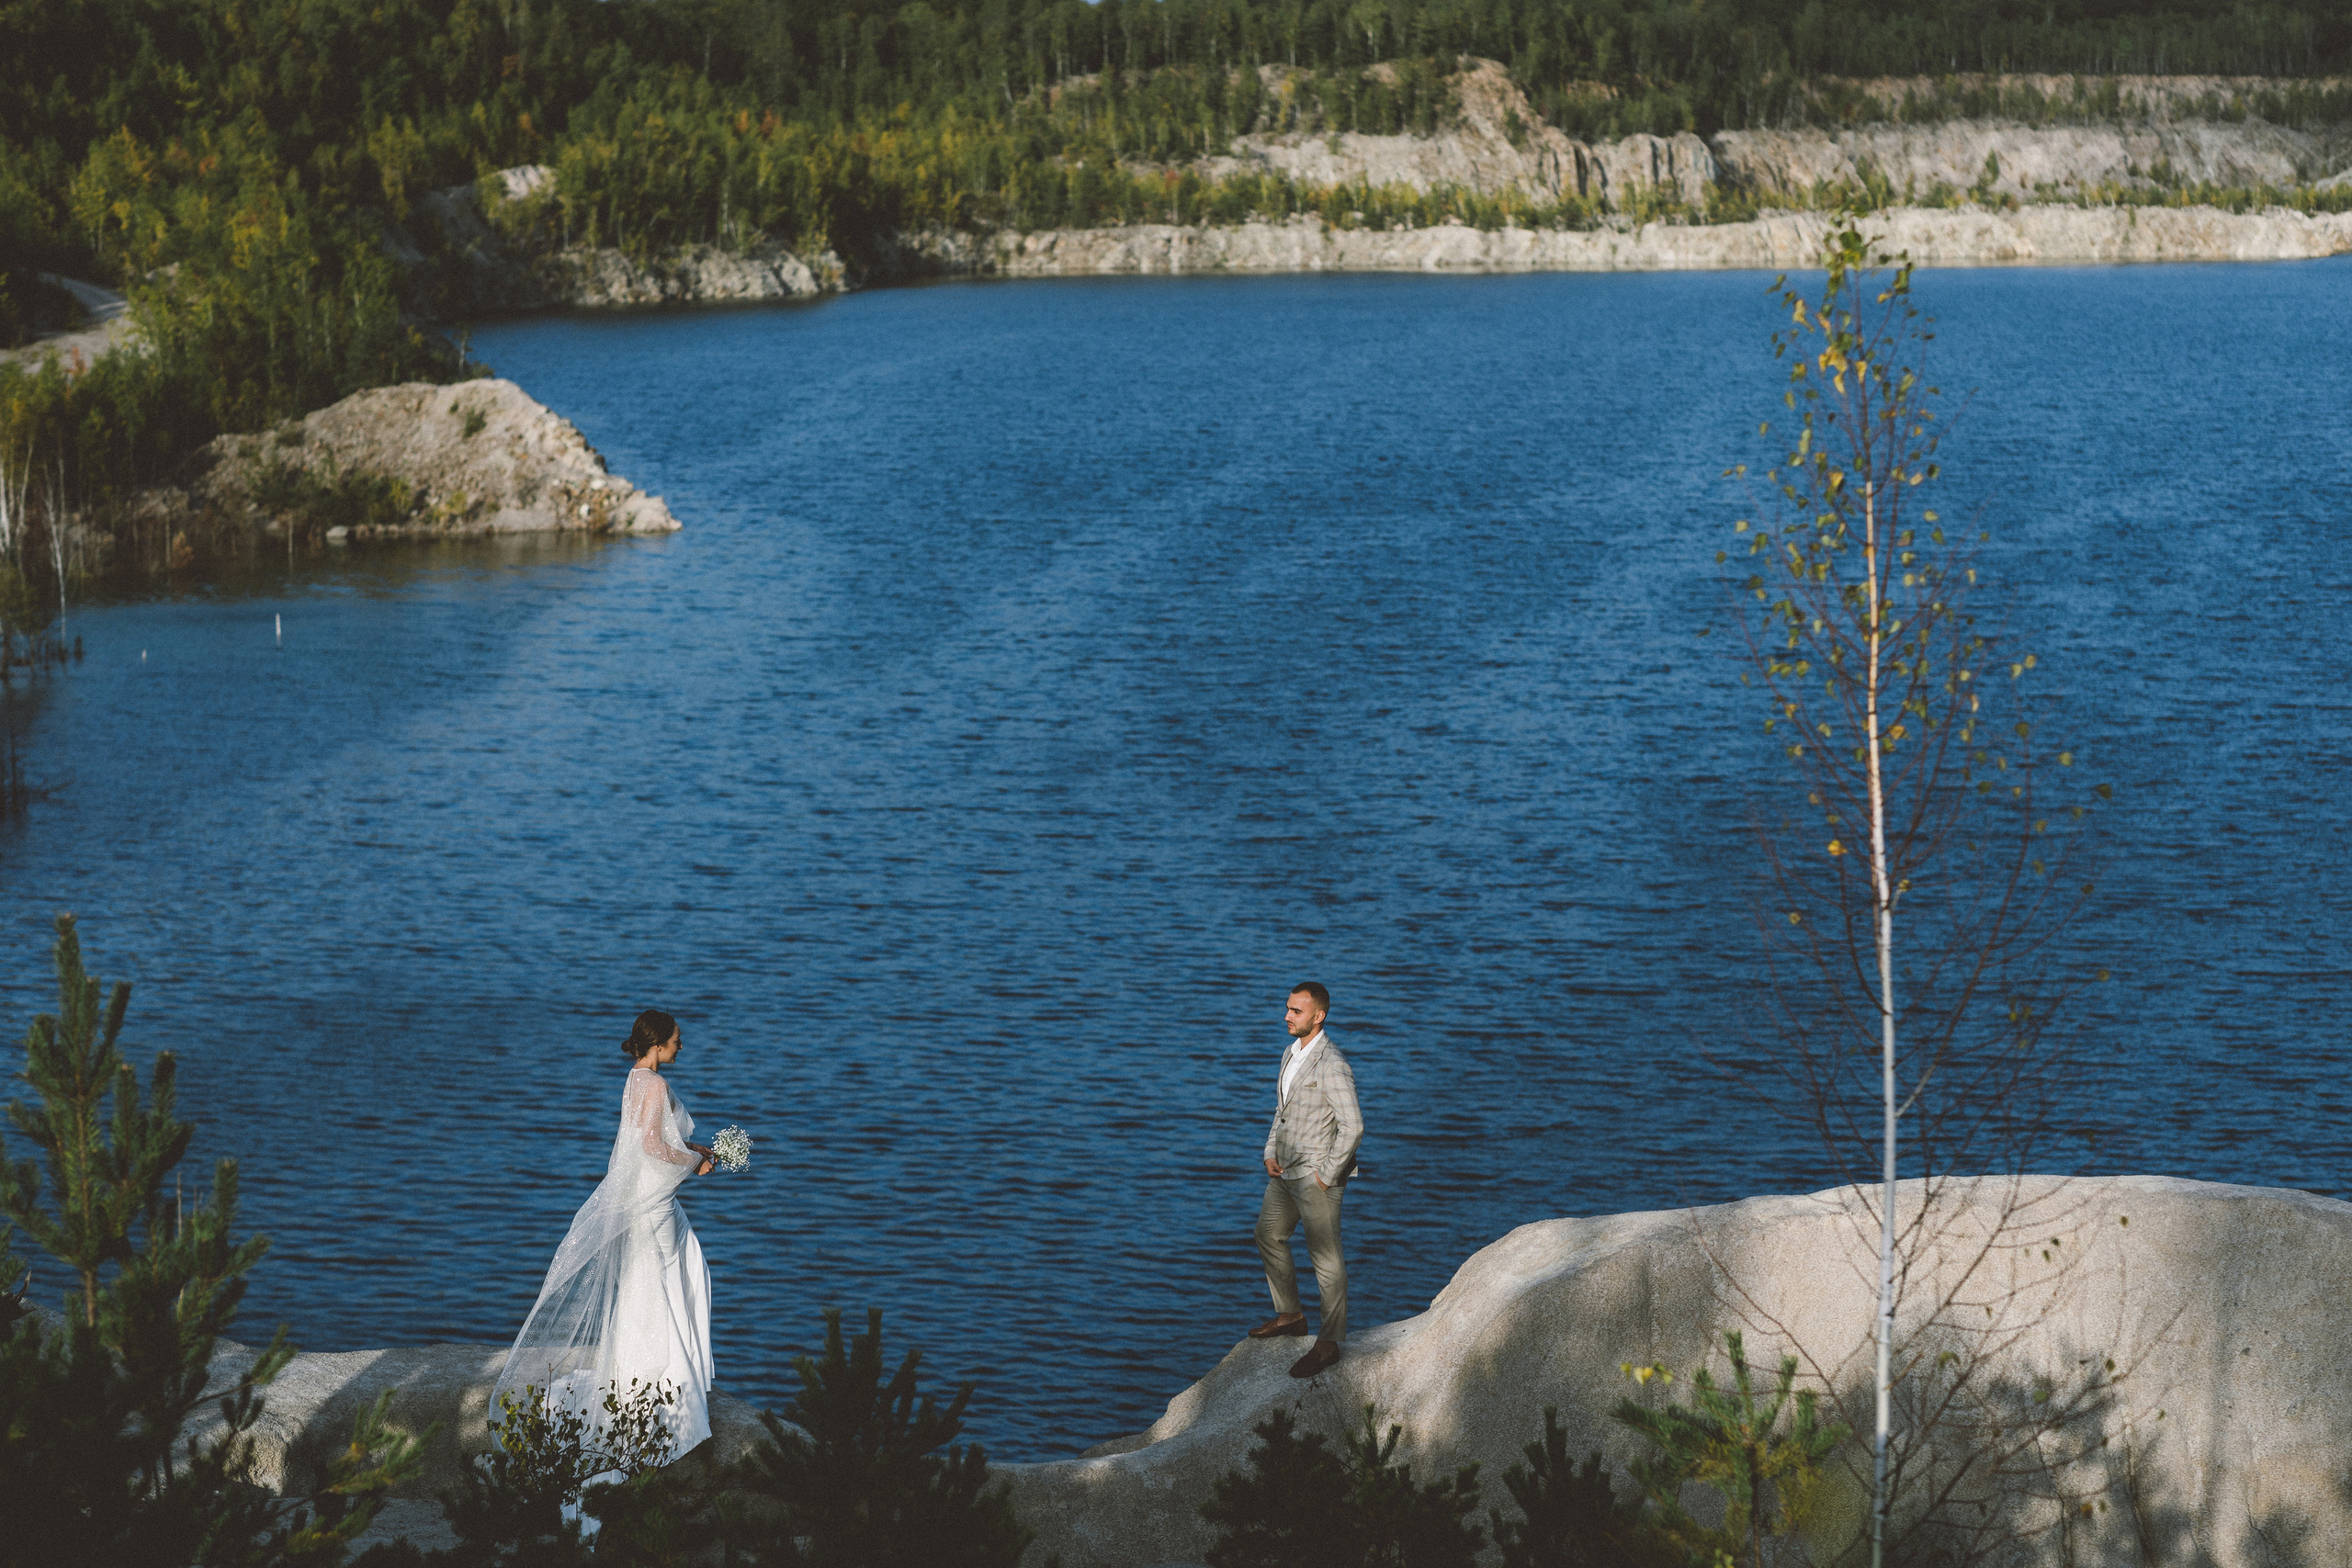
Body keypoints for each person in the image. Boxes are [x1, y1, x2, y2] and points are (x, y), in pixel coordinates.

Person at [492, 1009, 718, 1475]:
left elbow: (643, 1142)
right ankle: (672, 1390)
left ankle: (642, 1380)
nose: (681, 1047)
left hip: (645, 1199)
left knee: (649, 1287)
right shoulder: (653, 1085)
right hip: (655, 1205)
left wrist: (693, 1149)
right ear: (657, 1044)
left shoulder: (635, 1080)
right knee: (676, 1277)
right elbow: (653, 1148)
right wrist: (693, 1163)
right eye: (676, 1040)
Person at [1246, 981, 1362, 1380]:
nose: (1287, 1016)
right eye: (1288, 1008)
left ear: (1318, 1016)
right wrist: (1269, 1152)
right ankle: (1291, 1315)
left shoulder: (1333, 1065)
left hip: (1316, 1178)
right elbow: (1281, 1112)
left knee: (1326, 1260)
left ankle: (1329, 1343)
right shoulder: (1290, 1054)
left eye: (1296, 1011)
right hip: (1284, 1171)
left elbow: (1353, 1127)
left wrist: (1327, 1175)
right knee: (1267, 1234)